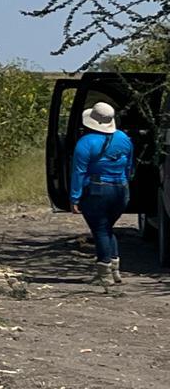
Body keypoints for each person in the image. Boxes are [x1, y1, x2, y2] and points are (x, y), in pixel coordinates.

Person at [70, 101, 135, 286]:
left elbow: (78, 171)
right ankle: (115, 269)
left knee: (99, 230)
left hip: (97, 189)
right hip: (121, 189)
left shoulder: (85, 142)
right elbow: (130, 167)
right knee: (107, 228)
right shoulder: (124, 138)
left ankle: (104, 272)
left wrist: (75, 197)